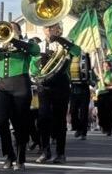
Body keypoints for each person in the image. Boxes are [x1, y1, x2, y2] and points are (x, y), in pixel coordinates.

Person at [0, 22, 40, 170]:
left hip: (20, 85)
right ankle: (9, 154)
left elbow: (35, 51)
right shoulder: (1, 46)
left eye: (12, 29)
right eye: (7, 29)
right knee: (0, 120)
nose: (9, 32)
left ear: (18, 31)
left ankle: (20, 157)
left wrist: (13, 39)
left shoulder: (25, 44)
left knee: (20, 124)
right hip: (4, 85)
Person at [33, 23, 81, 164]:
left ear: (57, 29)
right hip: (44, 86)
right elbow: (32, 64)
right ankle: (45, 151)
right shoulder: (39, 46)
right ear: (43, 30)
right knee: (43, 119)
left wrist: (59, 39)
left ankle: (60, 153)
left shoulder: (65, 43)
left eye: (52, 27)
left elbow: (77, 52)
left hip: (61, 86)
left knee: (59, 120)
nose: (49, 30)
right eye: (46, 27)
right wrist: (35, 74)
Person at [69, 51, 92, 140]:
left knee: (83, 112)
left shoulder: (85, 57)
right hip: (74, 89)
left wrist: (89, 79)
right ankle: (78, 128)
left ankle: (83, 132)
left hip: (84, 89)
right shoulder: (69, 57)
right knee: (73, 111)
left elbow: (89, 71)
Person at [94, 59, 112, 136]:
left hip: (109, 94)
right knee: (101, 112)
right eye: (104, 66)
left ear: (109, 67)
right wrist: (97, 56)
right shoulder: (101, 74)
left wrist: (108, 87)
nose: (105, 67)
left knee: (109, 112)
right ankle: (103, 126)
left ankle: (110, 128)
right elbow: (94, 68)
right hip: (101, 95)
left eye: (107, 66)